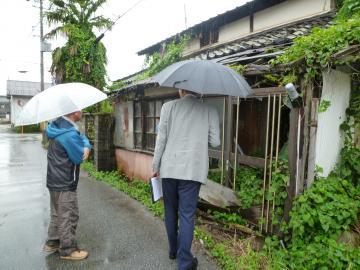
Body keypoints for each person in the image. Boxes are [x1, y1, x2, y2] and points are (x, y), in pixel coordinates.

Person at [152, 89, 220, 270]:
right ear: (199, 90)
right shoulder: (210, 110)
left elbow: (161, 139)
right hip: (192, 170)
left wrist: (155, 166)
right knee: (187, 215)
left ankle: (173, 250)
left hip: (169, 167)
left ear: (181, 89)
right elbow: (215, 142)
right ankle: (184, 262)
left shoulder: (168, 107)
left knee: (170, 210)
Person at [43, 111, 91, 261]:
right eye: (79, 108)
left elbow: (79, 137)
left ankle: (53, 242)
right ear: (73, 112)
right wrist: (87, 145)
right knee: (69, 215)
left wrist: (83, 140)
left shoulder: (57, 127)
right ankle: (68, 250)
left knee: (57, 213)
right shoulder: (69, 134)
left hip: (54, 179)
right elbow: (78, 157)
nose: (82, 110)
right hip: (65, 181)